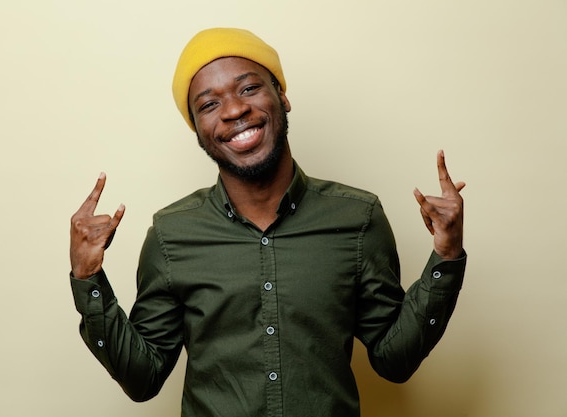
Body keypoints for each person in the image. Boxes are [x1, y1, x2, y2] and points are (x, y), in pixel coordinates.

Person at [69, 28, 467, 416]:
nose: (233, 110)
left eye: (248, 88)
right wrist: (88, 278)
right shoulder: (172, 235)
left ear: (282, 95)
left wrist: (445, 256)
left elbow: (393, 360)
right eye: (208, 105)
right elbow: (143, 379)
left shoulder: (357, 218)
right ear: (198, 131)